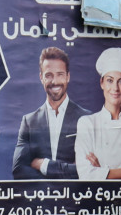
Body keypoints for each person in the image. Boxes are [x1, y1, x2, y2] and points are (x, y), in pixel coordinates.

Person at [12, 47, 90, 179]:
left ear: (68, 77)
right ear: (41, 77)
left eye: (60, 74)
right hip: (41, 196)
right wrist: (67, 171)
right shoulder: (29, 121)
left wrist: (44, 165)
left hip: (76, 196)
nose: (55, 82)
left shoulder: (87, 119)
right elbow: (19, 170)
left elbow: (89, 170)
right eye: (49, 75)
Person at [74, 47, 121, 180]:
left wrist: (101, 172)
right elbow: (85, 175)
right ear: (101, 83)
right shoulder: (87, 124)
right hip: (95, 198)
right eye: (110, 80)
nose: (115, 88)